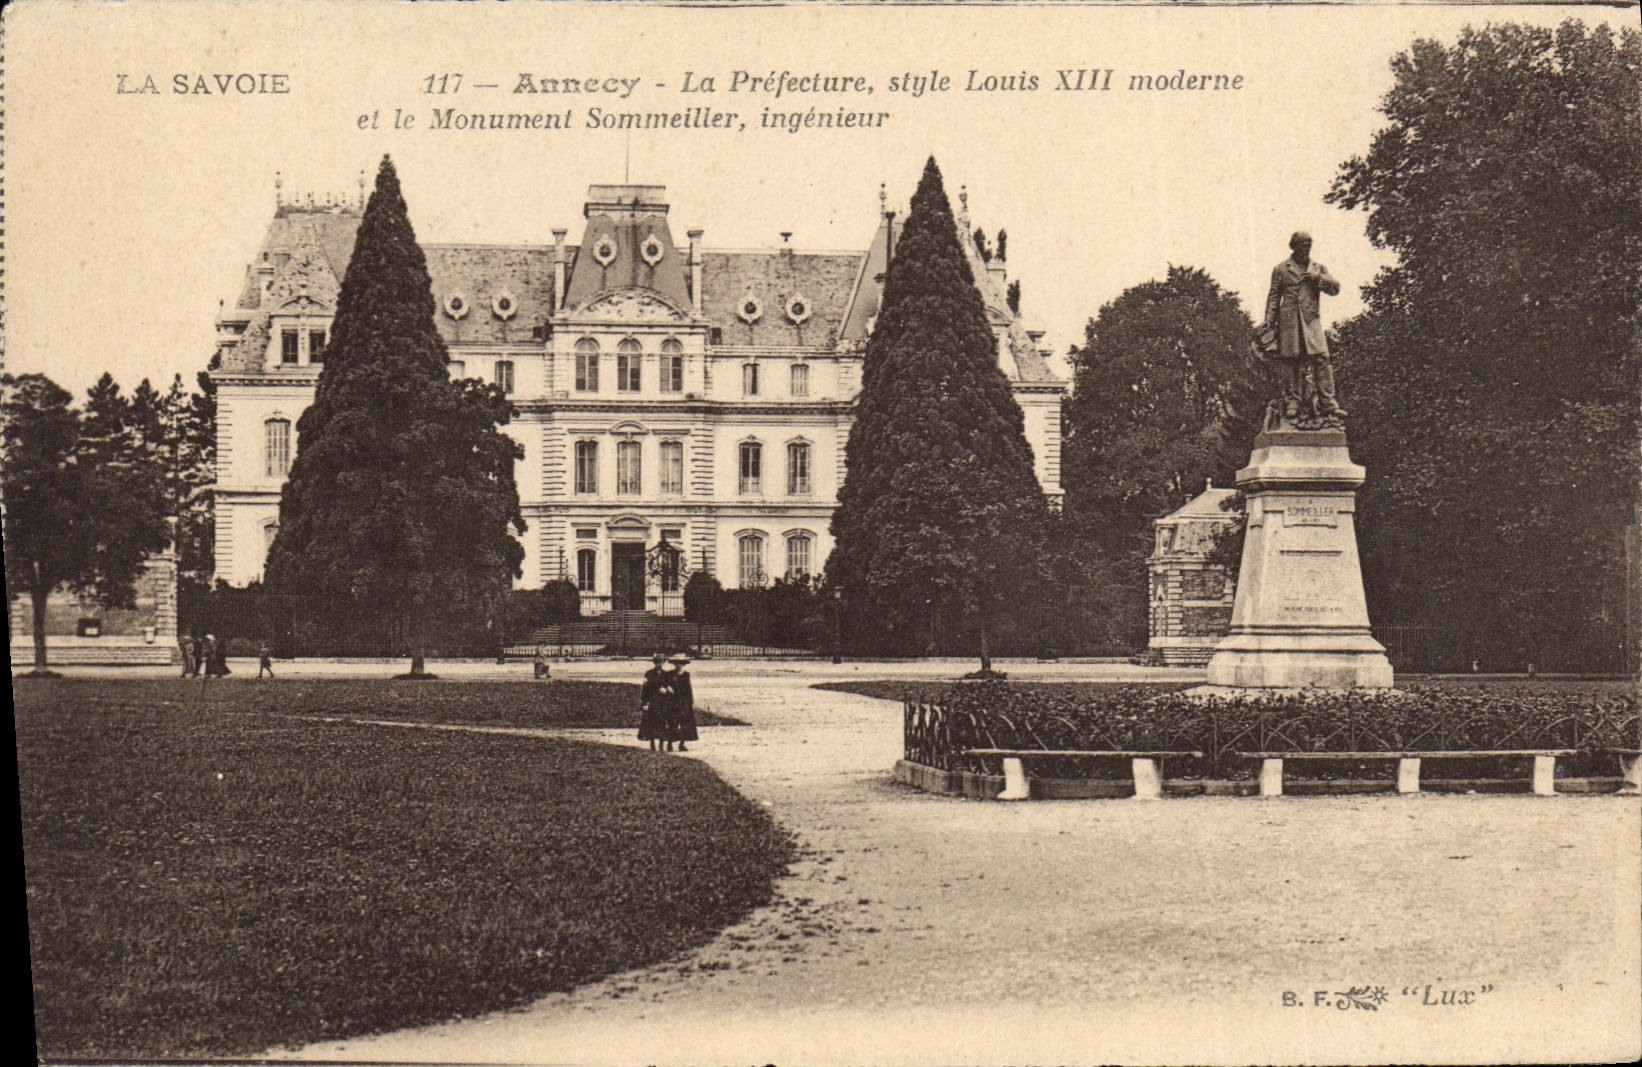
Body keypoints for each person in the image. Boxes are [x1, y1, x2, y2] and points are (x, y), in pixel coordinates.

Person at [1263, 231, 1346, 426]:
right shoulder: (1281, 269)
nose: (1305, 247)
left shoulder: (1317, 268)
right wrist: (1269, 319)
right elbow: (1274, 296)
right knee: (1290, 362)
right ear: (1293, 246)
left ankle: (1329, 404)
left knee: (1322, 359)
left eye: (1308, 244)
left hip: (1311, 321)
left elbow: (1335, 288)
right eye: (1301, 244)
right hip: (1289, 321)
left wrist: (1317, 278)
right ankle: (1292, 402)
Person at [665, 652, 698, 753]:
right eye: (677, 663)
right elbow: (665, 684)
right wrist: (668, 688)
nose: (679, 665)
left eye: (681, 663)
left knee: (685, 723)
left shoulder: (686, 675)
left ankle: (682, 744)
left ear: (683, 664)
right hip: (672, 701)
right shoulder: (669, 674)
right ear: (674, 664)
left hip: (683, 702)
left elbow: (688, 689)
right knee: (672, 723)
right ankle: (670, 743)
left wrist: (690, 701)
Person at [638, 652, 667, 751]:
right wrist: (645, 702)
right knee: (651, 722)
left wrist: (666, 690)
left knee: (662, 723)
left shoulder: (666, 674)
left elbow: (669, 686)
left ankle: (661, 744)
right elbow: (645, 688)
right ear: (655, 663)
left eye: (662, 662)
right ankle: (652, 743)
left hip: (662, 702)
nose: (660, 664)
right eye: (658, 662)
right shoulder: (649, 673)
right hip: (652, 700)